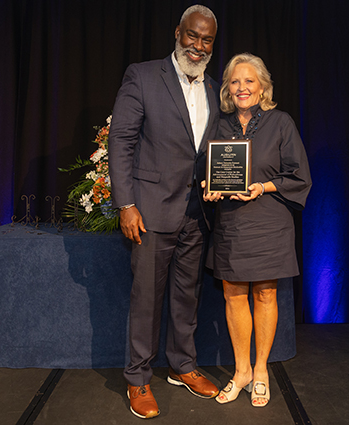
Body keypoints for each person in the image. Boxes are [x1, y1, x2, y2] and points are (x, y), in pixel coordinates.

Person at [108, 4, 222, 419]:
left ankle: (182, 366)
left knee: (187, 296)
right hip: (151, 211)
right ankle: (138, 379)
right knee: (146, 298)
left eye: (207, 39)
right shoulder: (142, 75)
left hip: (197, 212)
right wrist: (127, 204)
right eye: (193, 35)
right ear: (178, 32)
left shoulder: (213, 88)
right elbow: (120, 141)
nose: (198, 45)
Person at [201, 53, 311, 407]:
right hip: (231, 223)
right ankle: (242, 371)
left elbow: (298, 175)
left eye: (249, 81)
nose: (242, 88)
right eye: (234, 81)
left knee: (265, 295)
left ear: (262, 86)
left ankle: (261, 370)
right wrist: (209, 184)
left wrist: (262, 187)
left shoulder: (281, 123)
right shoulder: (219, 125)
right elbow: (204, 166)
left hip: (269, 223)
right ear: (227, 89)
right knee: (234, 295)